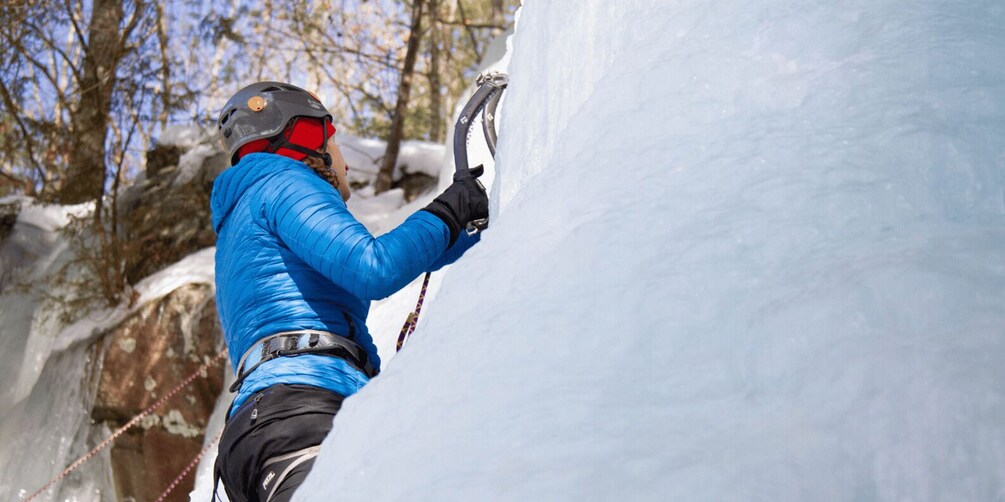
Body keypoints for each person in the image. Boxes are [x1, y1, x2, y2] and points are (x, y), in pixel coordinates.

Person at [211, 81, 487, 502]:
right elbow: (373, 267)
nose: (344, 163)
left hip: (253, 437)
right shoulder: (285, 182)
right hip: (303, 413)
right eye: (334, 140)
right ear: (308, 138)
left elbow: (371, 261)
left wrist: (463, 229)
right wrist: (450, 210)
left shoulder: (239, 221)